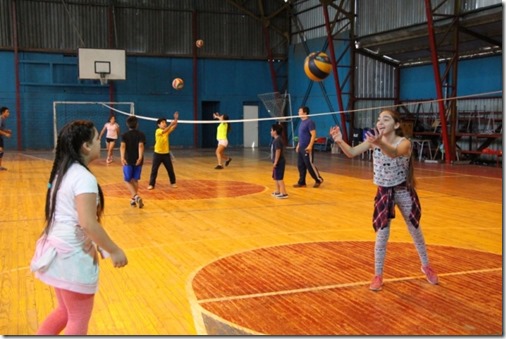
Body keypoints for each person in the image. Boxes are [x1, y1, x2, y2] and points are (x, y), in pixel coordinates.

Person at [30, 120, 128, 335]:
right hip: (71, 256)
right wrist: (114, 250)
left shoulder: (63, 172)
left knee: (64, 312)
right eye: (96, 139)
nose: (99, 143)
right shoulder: (83, 178)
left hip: (57, 251)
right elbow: (88, 223)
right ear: (85, 146)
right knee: (77, 319)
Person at [329, 109, 439, 291]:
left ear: (396, 125)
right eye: (379, 119)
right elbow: (352, 152)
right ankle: (378, 275)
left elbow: (394, 153)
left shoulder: (405, 143)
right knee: (382, 235)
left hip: (403, 190)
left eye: (385, 119)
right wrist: (340, 140)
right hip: (383, 192)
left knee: (415, 230)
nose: (380, 122)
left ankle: (426, 265)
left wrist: (380, 143)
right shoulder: (374, 141)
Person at [293, 106, 323, 188]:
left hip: (307, 147)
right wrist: (298, 145)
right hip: (301, 147)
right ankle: (302, 182)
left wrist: (310, 146)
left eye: (300, 111)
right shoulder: (302, 122)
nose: (298, 112)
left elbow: (313, 135)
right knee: (300, 165)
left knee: (309, 165)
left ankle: (318, 179)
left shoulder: (310, 122)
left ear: (305, 112)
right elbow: (301, 135)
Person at [147, 112, 179, 190]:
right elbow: (165, 131)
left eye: (165, 122)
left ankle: (173, 182)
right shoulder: (158, 131)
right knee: (154, 170)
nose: (164, 124)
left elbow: (174, 127)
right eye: (162, 123)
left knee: (170, 169)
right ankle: (151, 184)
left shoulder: (167, 130)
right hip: (157, 153)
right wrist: (170, 124)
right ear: (159, 125)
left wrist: (176, 119)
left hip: (166, 154)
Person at [120, 115, 146, 208]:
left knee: (127, 180)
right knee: (135, 180)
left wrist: (122, 157)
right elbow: (141, 146)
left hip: (128, 160)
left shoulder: (124, 135)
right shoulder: (141, 134)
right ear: (137, 124)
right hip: (138, 161)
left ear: (127, 125)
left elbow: (123, 146)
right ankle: (133, 200)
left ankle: (135, 196)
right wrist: (140, 157)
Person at [270, 123, 288, 199]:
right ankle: (277, 191)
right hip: (277, 162)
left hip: (279, 162)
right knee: (276, 177)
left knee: (279, 178)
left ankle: (284, 193)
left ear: (275, 131)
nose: (270, 132)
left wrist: (276, 162)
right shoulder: (276, 140)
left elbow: (278, 151)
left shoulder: (277, 140)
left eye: (271, 130)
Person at [0, 107, 12, 171]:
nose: (8, 113)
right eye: (7, 112)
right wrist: (5, 134)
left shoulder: (3, 119)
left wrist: (6, 130)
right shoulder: (0, 119)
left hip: (0, 138)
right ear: (3, 112)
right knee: (0, 150)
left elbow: (1, 129)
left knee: (1, 152)